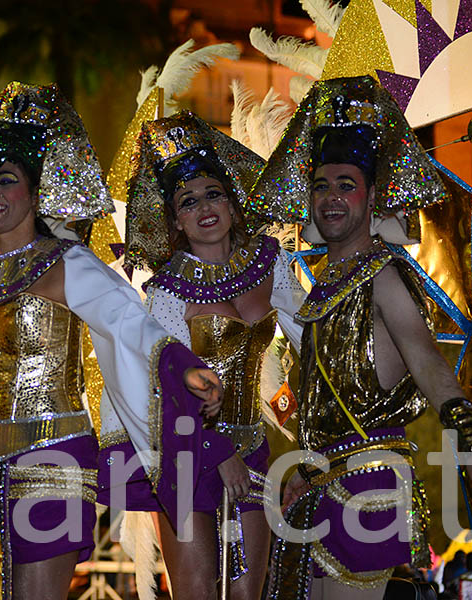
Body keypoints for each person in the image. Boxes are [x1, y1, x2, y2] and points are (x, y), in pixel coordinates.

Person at [0, 82, 229, 600]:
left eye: (7, 179)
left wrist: (181, 365)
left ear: (35, 193)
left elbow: (126, 320)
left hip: (55, 459)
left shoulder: (66, 262)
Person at [248, 76, 472, 600]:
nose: (332, 198)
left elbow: (429, 364)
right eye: (321, 185)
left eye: (346, 185)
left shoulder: (382, 275)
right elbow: (321, 401)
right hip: (321, 484)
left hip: (369, 482)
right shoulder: (321, 289)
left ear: (371, 196)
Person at [117, 110, 305, 600]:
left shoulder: (272, 261)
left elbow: (312, 342)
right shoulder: (165, 293)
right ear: (175, 219)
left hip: (255, 450)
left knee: (247, 594)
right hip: (184, 453)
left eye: (212, 193)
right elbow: (162, 389)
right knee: (198, 591)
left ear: (233, 202)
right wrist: (214, 450)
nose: (203, 206)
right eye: (187, 200)